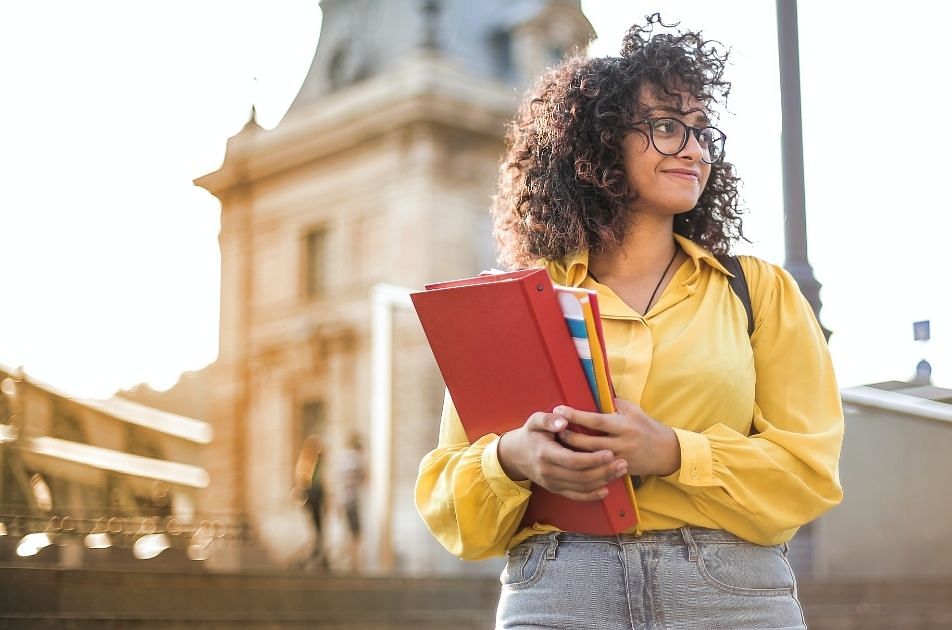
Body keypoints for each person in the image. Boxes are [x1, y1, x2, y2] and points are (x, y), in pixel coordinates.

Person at [415, 15, 843, 629]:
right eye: (667, 127)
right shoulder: (518, 306)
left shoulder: (758, 292)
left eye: (701, 131)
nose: (694, 149)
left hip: (729, 595)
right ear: (599, 144)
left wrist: (672, 452)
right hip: (556, 591)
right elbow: (449, 499)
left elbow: (809, 473)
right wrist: (512, 459)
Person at [293, 434, 327, 571]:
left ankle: (319, 555)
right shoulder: (307, 463)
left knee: (319, 530)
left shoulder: (317, 462)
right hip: (312, 498)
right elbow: (303, 482)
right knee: (315, 530)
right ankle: (314, 555)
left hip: (316, 498)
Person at [335, 432, 367, 571]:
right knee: (355, 533)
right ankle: (352, 563)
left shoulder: (343, 458)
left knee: (351, 533)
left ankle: (351, 562)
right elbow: (361, 477)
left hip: (344, 500)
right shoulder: (352, 459)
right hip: (350, 501)